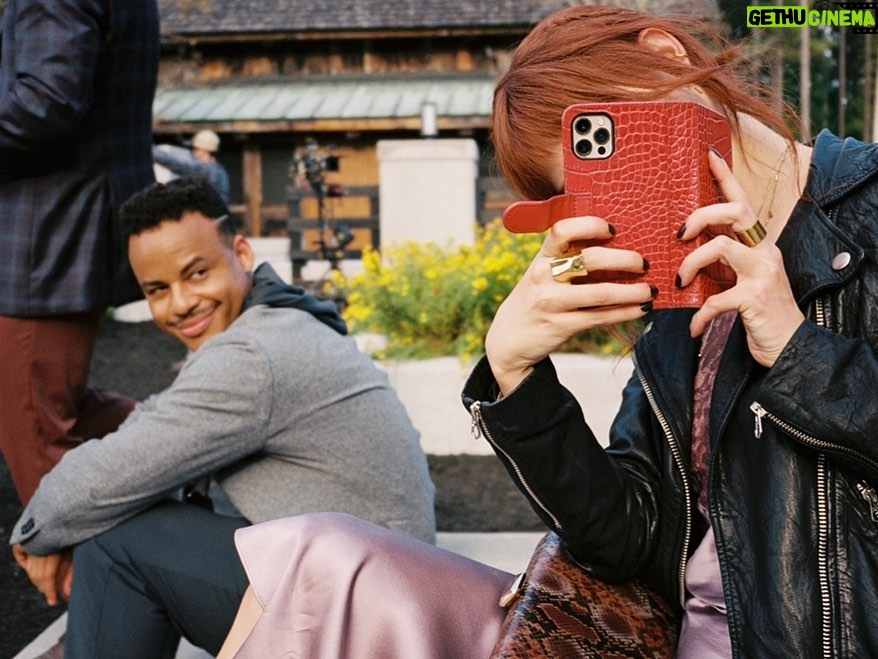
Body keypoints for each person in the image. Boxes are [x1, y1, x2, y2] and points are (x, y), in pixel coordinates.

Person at [214, 5, 878, 658]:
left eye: (622, 133)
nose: (631, 187)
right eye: (599, 182)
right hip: (676, 640)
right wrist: (514, 377)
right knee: (316, 561)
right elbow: (630, 541)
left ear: (668, 56)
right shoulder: (678, 304)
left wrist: (795, 352)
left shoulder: (868, 208)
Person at [10, 177, 436, 658]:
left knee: (117, 541)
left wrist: (33, 535)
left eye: (196, 273)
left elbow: (99, 482)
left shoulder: (253, 355)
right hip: (378, 590)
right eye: (157, 289)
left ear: (242, 253)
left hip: (363, 622)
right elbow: (148, 439)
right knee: (124, 515)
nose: (180, 303)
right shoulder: (276, 321)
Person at [0, 0, 159, 505]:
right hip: (65, 223)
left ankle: (76, 579)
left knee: (36, 430)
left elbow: (43, 106)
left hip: (48, 231)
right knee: (33, 399)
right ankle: (184, 444)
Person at [153, 129, 232, 203]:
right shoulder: (220, 170)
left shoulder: (203, 169)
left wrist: (149, 148)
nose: (192, 152)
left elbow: (174, 163)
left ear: (201, 150)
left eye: (194, 148)